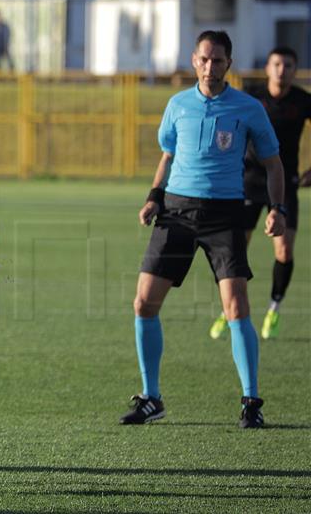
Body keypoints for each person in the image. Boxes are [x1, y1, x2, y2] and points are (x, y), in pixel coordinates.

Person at [120, 31, 286, 429]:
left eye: (219, 61)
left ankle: (250, 401)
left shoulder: (248, 108)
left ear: (229, 64)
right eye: (205, 59)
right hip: (176, 211)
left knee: (236, 306)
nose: (211, 67)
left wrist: (277, 208)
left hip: (223, 215)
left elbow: (274, 164)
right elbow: (168, 155)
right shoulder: (177, 105)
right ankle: (151, 398)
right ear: (194, 60)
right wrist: (153, 197)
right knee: (144, 303)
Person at [209, 46, 311, 341]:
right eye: (277, 64)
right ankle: (228, 308)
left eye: (288, 65)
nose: (282, 70)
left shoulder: (303, 101)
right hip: (248, 180)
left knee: (284, 251)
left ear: (295, 69)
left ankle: (273, 309)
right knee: (235, 248)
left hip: (285, 182)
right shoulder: (250, 96)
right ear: (267, 68)